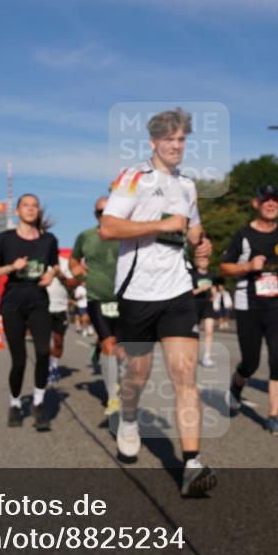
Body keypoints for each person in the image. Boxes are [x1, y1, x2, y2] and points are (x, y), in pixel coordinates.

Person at [99, 107, 216, 497]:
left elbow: (193, 229)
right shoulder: (134, 179)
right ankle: (128, 417)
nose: (176, 146)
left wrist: (202, 246)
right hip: (136, 293)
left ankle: (192, 465)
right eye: (169, 139)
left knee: (185, 375)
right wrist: (159, 225)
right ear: (153, 142)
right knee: (137, 375)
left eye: (182, 140)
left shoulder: (186, 186)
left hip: (177, 292)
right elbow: (108, 227)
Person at [221, 185, 278, 437]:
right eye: (266, 201)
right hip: (248, 305)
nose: (270, 204)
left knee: (277, 360)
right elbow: (225, 268)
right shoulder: (243, 235)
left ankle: (273, 417)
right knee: (251, 362)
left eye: (274, 200)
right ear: (256, 203)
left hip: (276, 305)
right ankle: (236, 385)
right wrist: (248, 266)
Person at [0, 194, 59, 431]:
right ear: (17, 211)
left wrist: (51, 274)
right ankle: (15, 403)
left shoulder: (48, 241)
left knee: (44, 352)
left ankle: (38, 402)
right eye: (25, 205)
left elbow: (54, 264)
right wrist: (10, 267)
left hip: (38, 301)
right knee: (19, 361)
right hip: (12, 304)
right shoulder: (5, 240)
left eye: (34, 205)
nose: (30, 209)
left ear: (38, 211)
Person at [70, 196, 123, 415]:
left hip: (126, 298)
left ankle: (99, 349)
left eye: (108, 211)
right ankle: (113, 398)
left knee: (124, 349)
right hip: (97, 297)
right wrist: (80, 275)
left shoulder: (127, 234)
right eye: (100, 212)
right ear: (95, 215)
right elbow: (74, 260)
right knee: (109, 345)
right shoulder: (86, 236)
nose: (104, 215)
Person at [47, 248, 75, 383]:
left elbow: (73, 283)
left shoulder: (65, 263)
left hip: (60, 308)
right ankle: (45, 367)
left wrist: (61, 276)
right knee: (42, 343)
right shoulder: (37, 262)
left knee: (58, 340)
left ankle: (54, 367)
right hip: (41, 308)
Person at [190, 256, 217, 367]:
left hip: (208, 305)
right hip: (195, 305)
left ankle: (207, 356)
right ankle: (191, 355)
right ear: (196, 262)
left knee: (209, 331)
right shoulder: (193, 275)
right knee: (193, 333)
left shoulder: (211, 275)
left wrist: (214, 295)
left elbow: (214, 287)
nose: (203, 261)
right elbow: (189, 292)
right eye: (200, 259)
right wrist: (200, 289)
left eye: (205, 259)